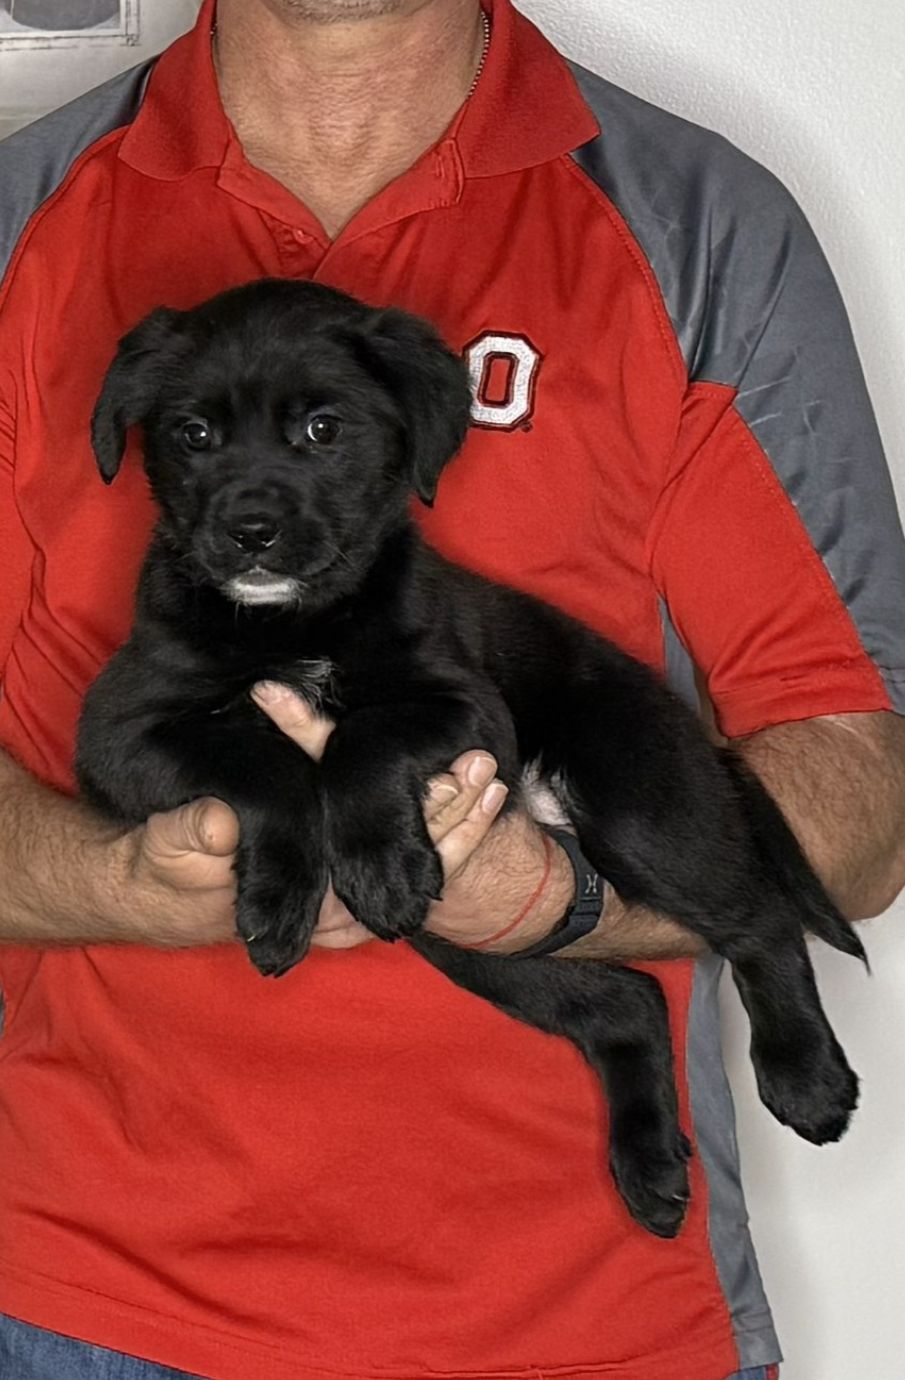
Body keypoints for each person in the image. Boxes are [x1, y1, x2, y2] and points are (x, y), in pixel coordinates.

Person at [0, 0, 903, 1376]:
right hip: (78, 1304)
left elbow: (865, 802)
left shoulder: (698, 226)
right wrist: (127, 883)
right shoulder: (24, 218)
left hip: (580, 1329)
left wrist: (556, 901)